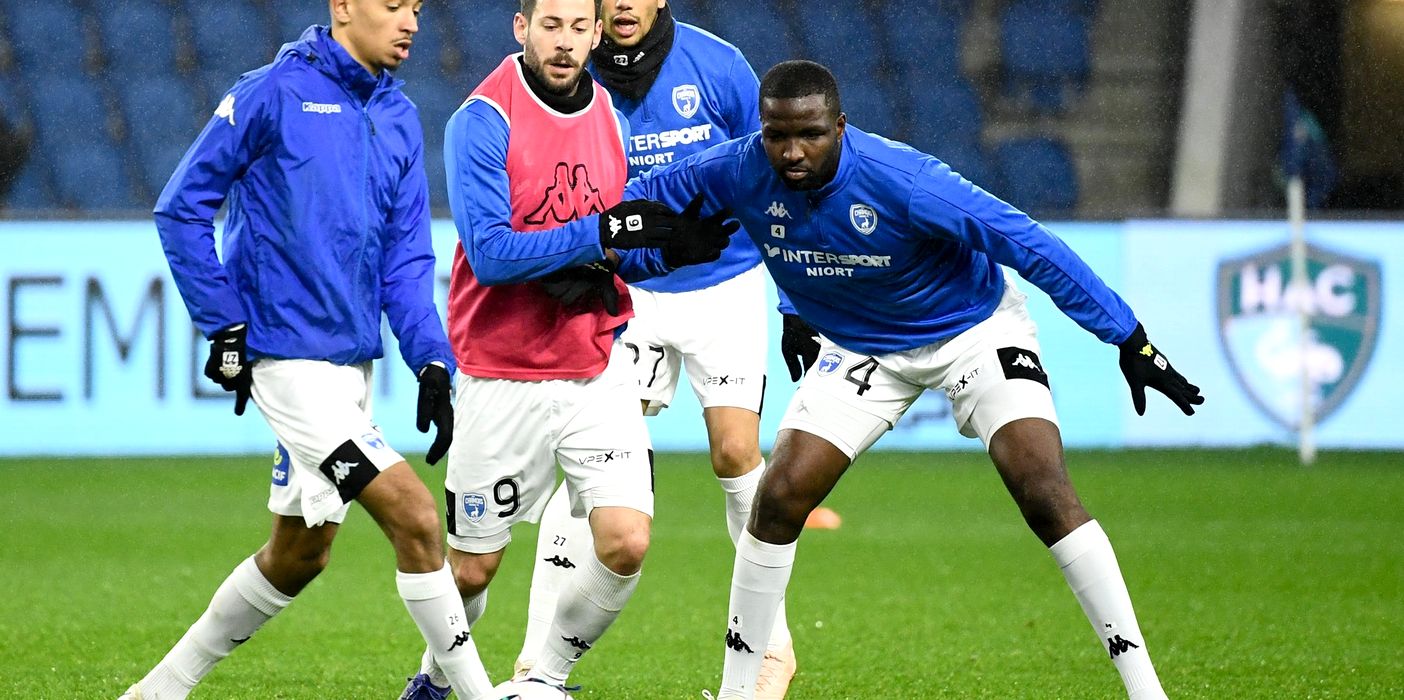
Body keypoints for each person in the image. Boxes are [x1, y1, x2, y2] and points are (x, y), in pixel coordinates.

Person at [625, 60, 1204, 700]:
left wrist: (1127, 336)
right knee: (779, 495)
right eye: (776, 135)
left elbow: (1029, 244)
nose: (791, 152)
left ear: (840, 127)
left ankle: (1147, 692)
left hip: (971, 331)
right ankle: (739, 693)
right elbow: (635, 194)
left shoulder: (906, 181)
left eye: (810, 134)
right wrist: (624, 228)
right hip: (863, 346)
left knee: (1042, 488)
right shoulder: (738, 167)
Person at [122, 2, 499, 700]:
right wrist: (224, 325)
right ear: (344, 6)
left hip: (350, 368)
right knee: (415, 518)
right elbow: (181, 208)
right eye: (393, 6)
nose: (411, 23)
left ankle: (157, 691)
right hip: (286, 364)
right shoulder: (271, 93)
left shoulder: (397, 116)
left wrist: (431, 360)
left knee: (298, 555)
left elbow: (405, 262)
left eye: (417, 8)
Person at [397, 1, 733, 698]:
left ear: (596, 33)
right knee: (471, 571)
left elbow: (615, 247)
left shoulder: (608, 114)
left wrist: (670, 250)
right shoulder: (481, 119)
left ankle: (544, 680)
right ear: (521, 27)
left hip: (594, 366)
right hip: (502, 375)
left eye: (579, 28)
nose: (565, 42)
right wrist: (605, 233)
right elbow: (491, 255)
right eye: (550, 25)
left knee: (626, 541)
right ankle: (431, 683)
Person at [514, 3, 817, 696]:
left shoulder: (719, 67)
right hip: (630, 289)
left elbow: (778, 179)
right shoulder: (576, 72)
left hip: (724, 285)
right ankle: (534, 664)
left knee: (736, 454)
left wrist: (796, 298)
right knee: (591, 467)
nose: (623, 4)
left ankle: (771, 648)